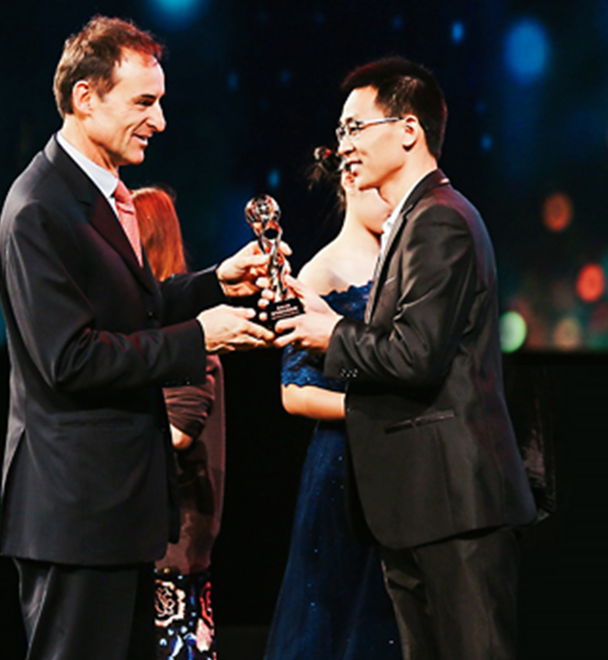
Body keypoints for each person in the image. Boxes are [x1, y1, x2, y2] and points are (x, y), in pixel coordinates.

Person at [0, 16, 273, 660]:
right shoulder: (39, 208)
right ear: (86, 98)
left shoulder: (97, 194)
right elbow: (72, 358)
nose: (160, 121)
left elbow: (133, 311)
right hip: (76, 514)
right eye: (144, 102)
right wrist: (198, 337)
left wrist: (216, 283)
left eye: (161, 102)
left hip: (113, 511)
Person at [273, 56, 537, 660]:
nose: (343, 146)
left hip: (455, 508)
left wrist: (331, 333)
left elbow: (417, 355)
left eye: (355, 128)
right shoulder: (414, 220)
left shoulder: (439, 219)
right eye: (340, 131)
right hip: (419, 507)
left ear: (409, 130)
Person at [264, 149, 401, 660]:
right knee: (337, 615)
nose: (390, 199)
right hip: (343, 466)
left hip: (400, 459)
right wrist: (371, 413)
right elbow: (294, 393)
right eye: (380, 188)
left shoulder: (406, 261)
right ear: (350, 180)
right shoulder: (320, 272)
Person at [131, 185, 225, 660]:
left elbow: (180, 431)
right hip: (148, 537)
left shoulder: (186, 334)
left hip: (175, 542)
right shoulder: (154, 332)